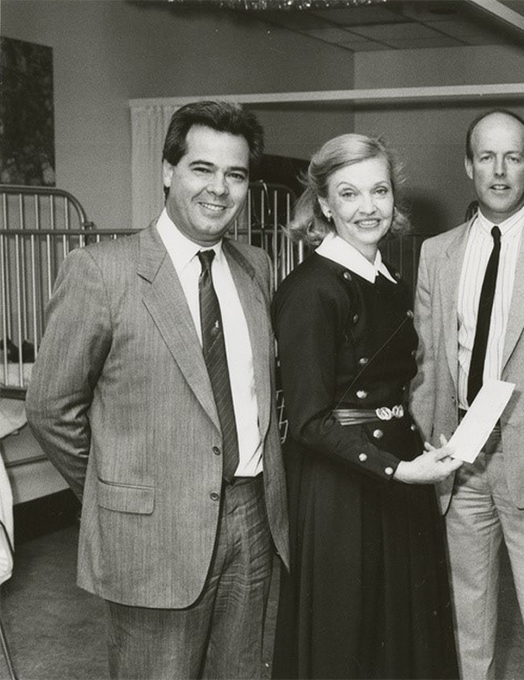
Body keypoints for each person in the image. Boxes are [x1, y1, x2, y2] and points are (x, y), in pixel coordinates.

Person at [25, 100, 289, 678]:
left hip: (250, 517)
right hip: (152, 531)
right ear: (168, 170)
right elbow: (50, 409)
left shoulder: (257, 267)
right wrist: (120, 488)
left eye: (235, 174)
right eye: (202, 168)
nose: (219, 188)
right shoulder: (101, 272)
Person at [411, 109, 524, 680]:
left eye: (512, 157)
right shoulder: (436, 252)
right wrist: (431, 435)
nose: (499, 170)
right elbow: (424, 360)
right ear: (469, 166)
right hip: (460, 459)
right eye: (486, 157)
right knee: (468, 624)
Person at [271, 133, 460, 679]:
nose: (368, 207)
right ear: (325, 205)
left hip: (395, 477)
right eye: (349, 194)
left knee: (397, 636)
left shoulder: (387, 279)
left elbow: (381, 392)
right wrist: (398, 467)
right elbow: (308, 420)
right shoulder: (313, 289)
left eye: (379, 191)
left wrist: (417, 447)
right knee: (350, 639)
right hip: (340, 490)